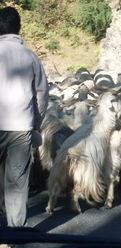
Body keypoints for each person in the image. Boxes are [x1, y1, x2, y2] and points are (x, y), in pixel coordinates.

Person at [0, 6, 49, 235]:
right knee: (17, 181)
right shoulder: (30, 57)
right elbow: (41, 94)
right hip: (21, 127)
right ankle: (15, 231)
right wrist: (36, 123)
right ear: (19, 28)